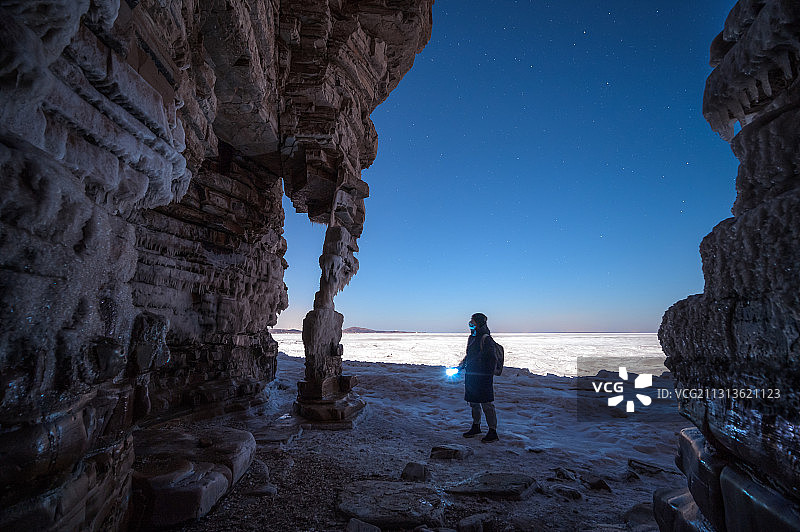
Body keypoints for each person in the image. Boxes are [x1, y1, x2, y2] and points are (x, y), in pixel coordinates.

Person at [457, 312, 498, 443]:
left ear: (479, 323)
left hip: (483, 378)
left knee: (486, 404)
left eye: (473, 321)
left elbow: (492, 359)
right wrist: (461, 367)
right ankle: (476, 426)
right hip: (471, 376)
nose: (470, 324)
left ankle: (493, 431)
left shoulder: (486, 339)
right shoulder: (471, 338)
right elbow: (469, 355)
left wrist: (486, 375)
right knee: (473, 402)